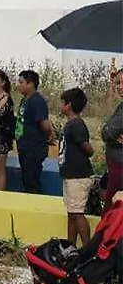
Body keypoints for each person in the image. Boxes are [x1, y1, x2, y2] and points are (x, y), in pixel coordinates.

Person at [59, 88, 93, 247]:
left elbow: (88, 149)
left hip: (78, 176)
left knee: (78, 213)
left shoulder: (76, 125)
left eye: (62, 102)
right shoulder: (70, 124)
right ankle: (70, 247)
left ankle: (88, 249)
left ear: (69, 105)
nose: (60, 105)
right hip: (70, 175)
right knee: (71, 213)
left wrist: (89, 149)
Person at [16, 70, 55, 194]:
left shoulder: (37, 101)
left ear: (31, 84)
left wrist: (50, 134)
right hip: (24, 147)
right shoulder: (24, 100)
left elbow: (44, 123)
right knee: (26, 179)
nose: (18, 85)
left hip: (34, 148)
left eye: (21, 82)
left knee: (32, 180)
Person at [101, 70, 123, 204]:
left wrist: (107, 129)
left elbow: (108, 133)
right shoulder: (120, 106)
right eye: (118, 83)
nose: (120, 87)